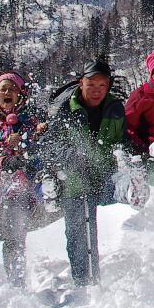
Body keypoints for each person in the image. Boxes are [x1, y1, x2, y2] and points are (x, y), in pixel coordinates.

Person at [46, 58, 126, 287]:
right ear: (81, 82)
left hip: (106, 176)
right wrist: (71, 158)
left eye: (103, 85)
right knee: (78, 232)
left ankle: (110, 281)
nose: (97, 90)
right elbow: (50, 144)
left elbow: (123, 141)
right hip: (74, 178)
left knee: (114, 228)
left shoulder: (115, 108)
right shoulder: (65, 109)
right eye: (92, 84)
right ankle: (83, 281)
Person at [0, 72, 44, 287]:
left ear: (21, 94)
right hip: (5, 188)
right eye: (3, 88)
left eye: (12, 89)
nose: (7, 92)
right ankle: (16, 281)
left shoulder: (30, 120)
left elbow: (41, 149)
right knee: (14, 233)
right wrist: (5, 150)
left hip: (33, 182)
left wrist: (36, 135)